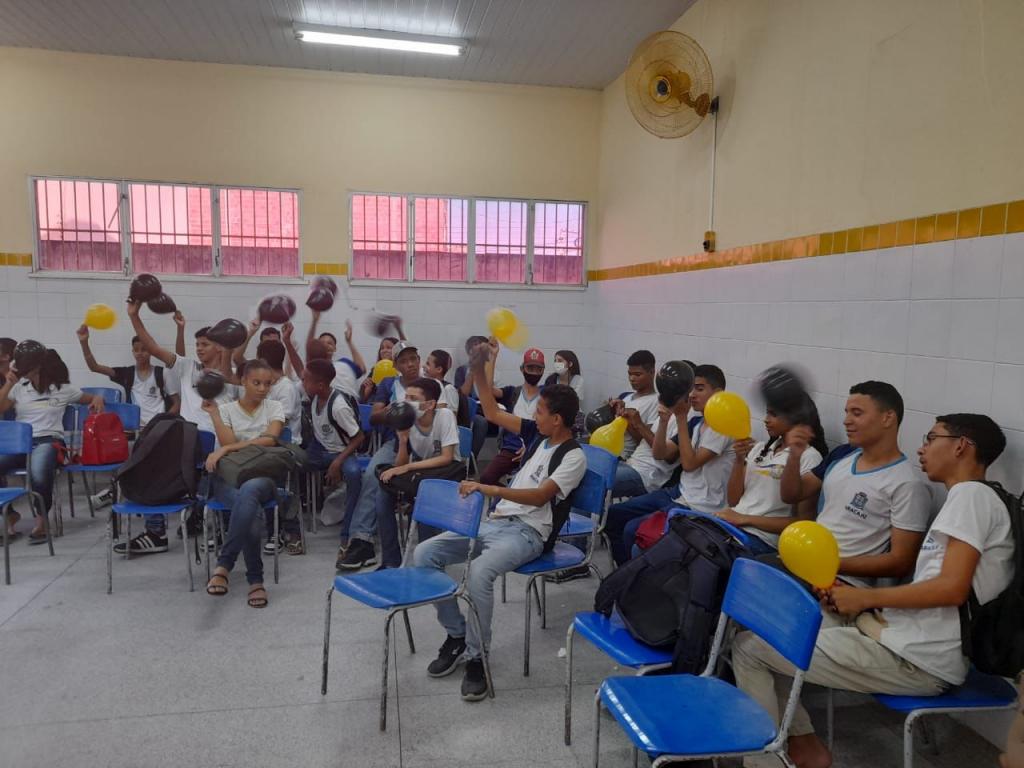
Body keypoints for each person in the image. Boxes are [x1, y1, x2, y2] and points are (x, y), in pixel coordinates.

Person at [733, 413, 1014, 768]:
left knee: (750, 649)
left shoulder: (972, 496)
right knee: (776, 630)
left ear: (961, 446)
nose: (922, 448)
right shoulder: (974, 498)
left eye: (931, 438)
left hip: (918, 660)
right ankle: (804, 747)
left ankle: (768, 761)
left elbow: (950, 589)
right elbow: (941, 587)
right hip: (897, 635)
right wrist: (858, 603)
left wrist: (866, 597)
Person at [413, 343, 586, 701]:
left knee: (479, 572)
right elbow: (490, 410)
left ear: (557, 419)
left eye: (540, 411)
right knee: (425, 553)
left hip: (529, 533)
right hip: (498, 522)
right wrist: (479, 367)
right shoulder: (536, 433)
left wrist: (487, 487)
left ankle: (477, 656)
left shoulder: (574, 456)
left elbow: (539, 497)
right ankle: (457, 635)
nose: (534, 415)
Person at [779, 381, 932, 586]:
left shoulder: (907, 484)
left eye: (857, 413)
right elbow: (791, 495)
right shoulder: (842, 455)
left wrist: (829, 564)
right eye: (847, 413)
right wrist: (794, 456)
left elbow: (900, 562)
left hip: (842, 581)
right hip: (805, 562)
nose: (846, 421)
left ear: (888, 418)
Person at [125, 301, 237, 554]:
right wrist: (134, 315)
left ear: (219, 347)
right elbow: (153, 347)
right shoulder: (188, 367)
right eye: (197, 344)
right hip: (188, 441)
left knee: (220, 481)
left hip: (218, 445)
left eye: (205, 344)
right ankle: (156, 532)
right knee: (150, 463)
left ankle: (223, 528)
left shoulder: (231, 375)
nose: (199, 349)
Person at [603, 364, 735, 565]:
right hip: (679, 493)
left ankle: (634, 577)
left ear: (718, 393)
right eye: (691, 389)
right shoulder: (696, 423)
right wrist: (664, 421)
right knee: (614, 515)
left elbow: (689, 464)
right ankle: (625, 575)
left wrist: (680, 417)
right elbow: (660, 453)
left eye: (699, 389)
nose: (692, 395)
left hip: (700, 505)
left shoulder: (722, 426)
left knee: (633, 530)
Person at [203, 359, 286, 608]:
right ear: (242, 381)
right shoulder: (226, 409)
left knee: (250, 491)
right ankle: (255, 581)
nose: (262, 389)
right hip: (228, 478)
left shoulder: (274, 407)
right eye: (256, 383)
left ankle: (224, 565)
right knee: (250, 506)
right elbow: (228, 441)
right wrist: (215, 416)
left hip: (263, 476)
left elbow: (270, 440)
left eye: (267, 384)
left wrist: (228, 449)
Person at [0, 346, 104, 542]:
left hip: (50, 441)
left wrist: (98, 398)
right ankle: (10, 514)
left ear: (38, 367)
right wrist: (8, 384)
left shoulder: (63, 389)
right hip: (22, 444)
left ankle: (42, 521)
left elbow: (91, 397)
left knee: (39, 469)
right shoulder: (19, 388)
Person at [335, 340, 421, 571]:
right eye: (404, 361)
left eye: (413, 359)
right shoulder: (389, 384)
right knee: (373, 474)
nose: (410, 364)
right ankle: (362, 541)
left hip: (426, 445)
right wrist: (394, 410)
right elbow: (373, 417)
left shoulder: (431, 385)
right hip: (396, 443)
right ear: (396, 366)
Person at [714, 396, 827, 555]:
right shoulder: (760, 448)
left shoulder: (810, 457)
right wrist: (739, 460)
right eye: (767, 413)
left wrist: (745, 519)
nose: (766, 420)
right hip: (732, 526)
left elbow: (802, 522)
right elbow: (734, 500)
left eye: (773, 414)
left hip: (763, 539)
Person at [375, 377, 462, 569]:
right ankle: (390, 560)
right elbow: (400, 464)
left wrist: (407, 468)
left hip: (446, 474)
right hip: (421, 474)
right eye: (406, 397)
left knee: (424, 499)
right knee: (382, 495)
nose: (407, 402)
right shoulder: (406, 420)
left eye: (413, 398)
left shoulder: (445, 415)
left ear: (430, 404)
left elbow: (447, 457)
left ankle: (427, 565)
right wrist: (403, 441)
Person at [301, 359, 365, 549]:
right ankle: (293, 526)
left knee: (354, 474)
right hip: (320, 449)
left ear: (320, 385)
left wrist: (337, 463)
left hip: (342, 451)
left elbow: (359, 437)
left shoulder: (338, 407)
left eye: (305, 380)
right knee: (293, 462)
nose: (302, 382)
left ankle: (348, 531)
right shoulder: (314, 395)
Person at [76, 325, 181, 425]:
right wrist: (84, 343)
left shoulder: (162, 373)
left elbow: (177, 403)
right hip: (135, 428)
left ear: (150, 352)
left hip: (158, 427)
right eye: (136, 350)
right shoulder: (127, 374)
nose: (140, 353)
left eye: (144, 349)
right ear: (133, 352)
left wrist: (163, 421)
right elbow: (94, 367)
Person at [477, 346, 546, 486]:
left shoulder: (547, 395)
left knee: (532, 483)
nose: (534, 372)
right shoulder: (512, 392)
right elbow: (488, 389)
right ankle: (506, 494)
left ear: (543, 371)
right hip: (511, 448)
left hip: (537, 448)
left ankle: (513, 493)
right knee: (486, 478)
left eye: (538, 369)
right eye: (530, 368)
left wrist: (532, 447)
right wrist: (493, 357)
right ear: (522, 369)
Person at [608, 350, 661, 495]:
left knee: (595, 481)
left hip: (624, 456)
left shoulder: (655, 402)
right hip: (609, 450)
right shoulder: (627, 398)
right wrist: (612, 411)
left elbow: (643, 442)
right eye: (629, 374)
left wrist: (628, 421)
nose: (632, 379)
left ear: (652, 372)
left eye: (637, 375)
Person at [454, 335, 503, 457]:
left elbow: (491, 392)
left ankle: (504, 454)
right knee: (480, 422)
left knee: (505, 421)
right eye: (475, 346)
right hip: (468, 412)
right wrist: (473, 369)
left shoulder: (493, 370)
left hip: (487, 410)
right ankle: (469, 460)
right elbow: (462, 395)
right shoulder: (462, 370)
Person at [359, 335, 401, 402]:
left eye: (389, 348)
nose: (384, 350)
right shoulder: (375, 370)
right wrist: (366, 391)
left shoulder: (402, 370)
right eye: (382, 348)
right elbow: (362, 400)